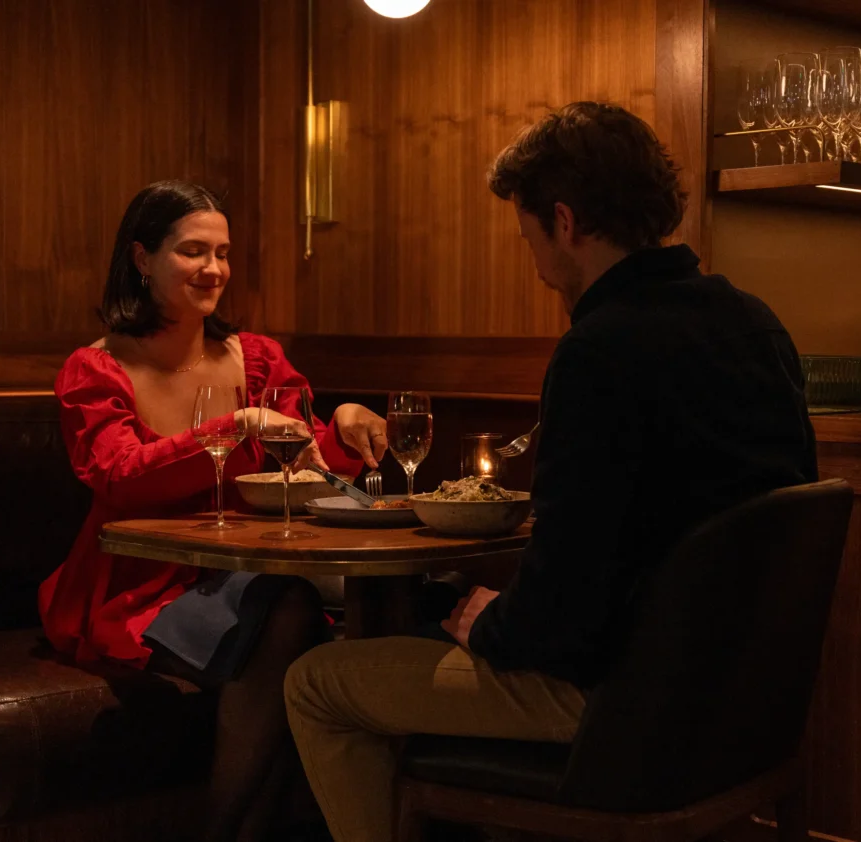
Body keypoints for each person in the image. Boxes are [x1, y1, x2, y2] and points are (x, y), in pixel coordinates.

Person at [283, 102, 818, 842]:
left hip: (620, 699)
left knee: (317, 683)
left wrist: (492, 623)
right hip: (740, 700)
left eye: (528, 235)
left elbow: (568, 614)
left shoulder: (602, 349)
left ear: (564, 222)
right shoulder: (754, 321)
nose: (535, 262)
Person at [39, 180, 387, 842]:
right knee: (285, 614)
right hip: (141, 583)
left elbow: (306, 461)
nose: (214, 269)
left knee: (305, 611)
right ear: (142, 259)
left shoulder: (256, 359)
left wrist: (342, 425)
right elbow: (117, 478)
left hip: (248, 572)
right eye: (193, 251)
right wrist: (227, 428)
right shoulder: (96, 369)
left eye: (223, 253)